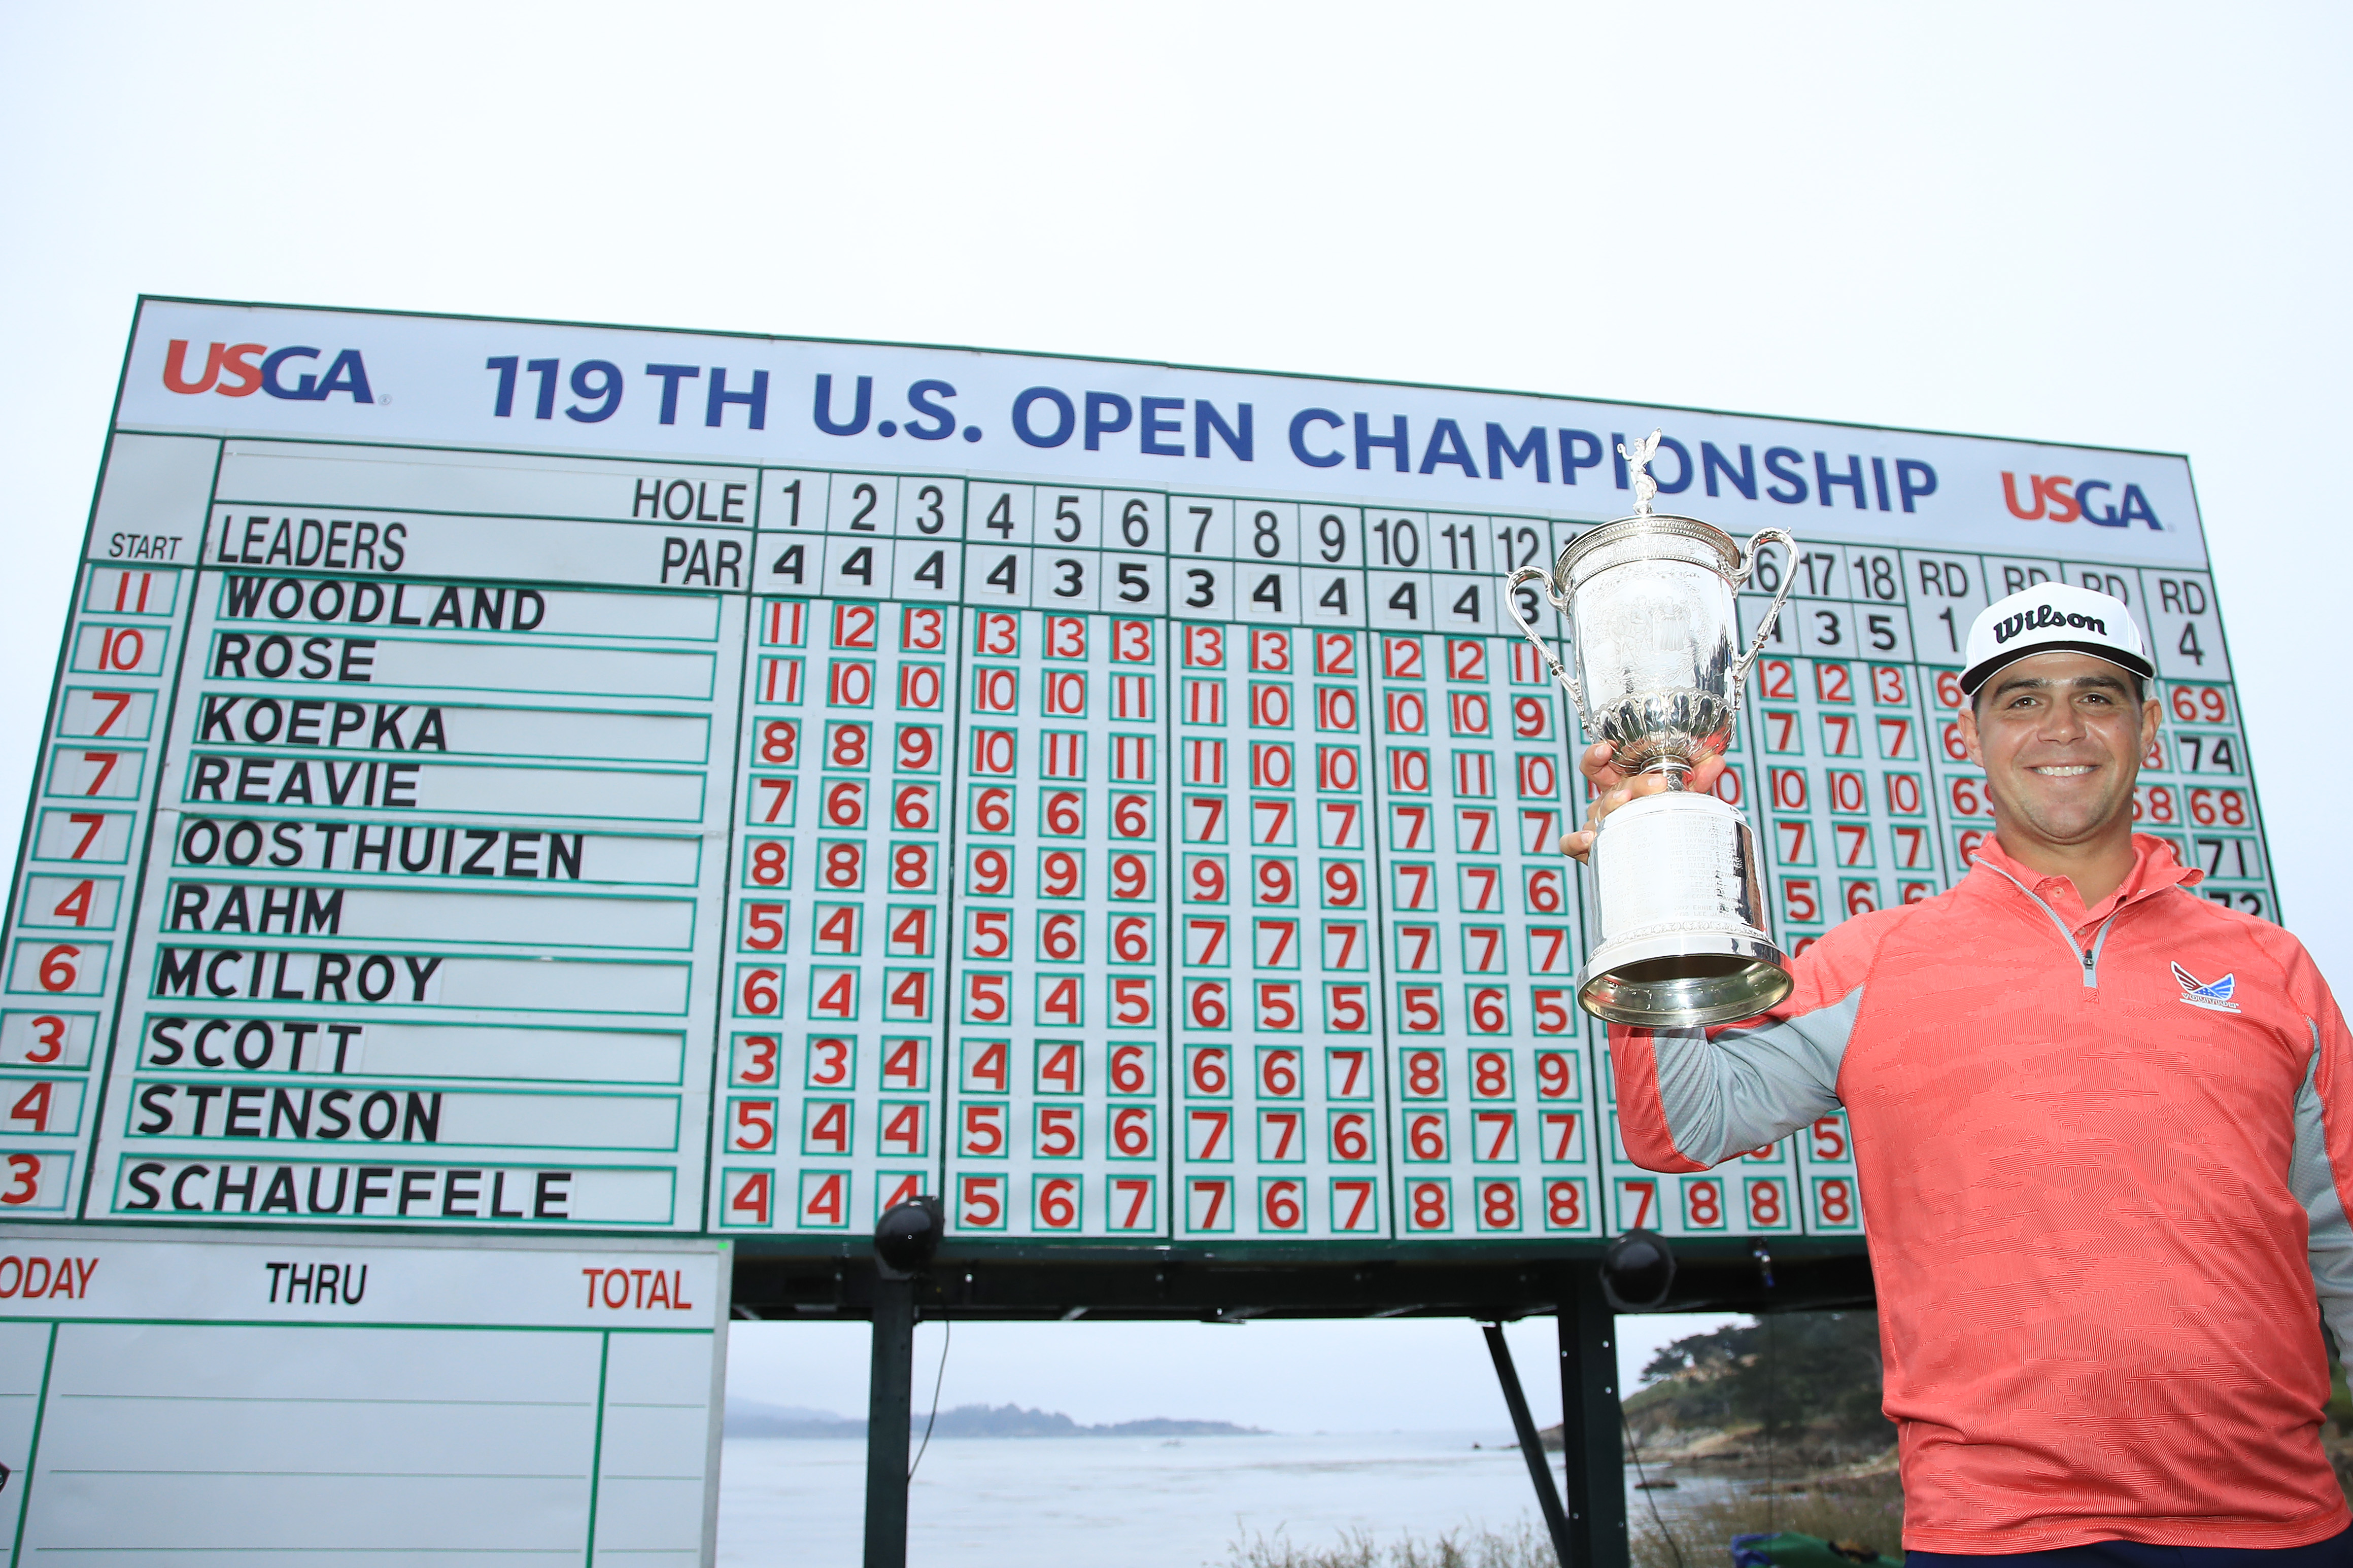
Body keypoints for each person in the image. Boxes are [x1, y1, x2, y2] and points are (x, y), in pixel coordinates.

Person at [1566, 582, 2353, 1558]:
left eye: (2095, 695)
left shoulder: (2272, 968)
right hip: (1990, 1532)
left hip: (2278, 1524)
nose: (2059, 727)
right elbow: (1682, 1126)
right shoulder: (1874, 962)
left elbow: (2339, 1236)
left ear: (2149, 727)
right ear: (1970, 736)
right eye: (2019, 700)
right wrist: (1656, 891)